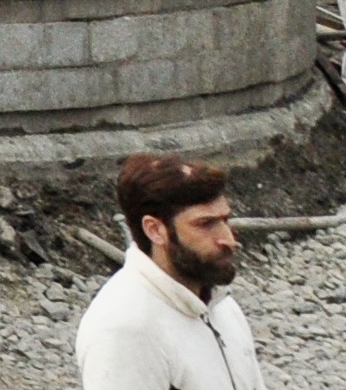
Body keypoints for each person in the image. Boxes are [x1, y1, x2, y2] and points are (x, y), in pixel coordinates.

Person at [76, 153, 259, 390]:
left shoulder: (221, 305)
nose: (228, 238)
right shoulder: (125, 330)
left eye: (225, 220)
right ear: (155, 230)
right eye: (205, 224)